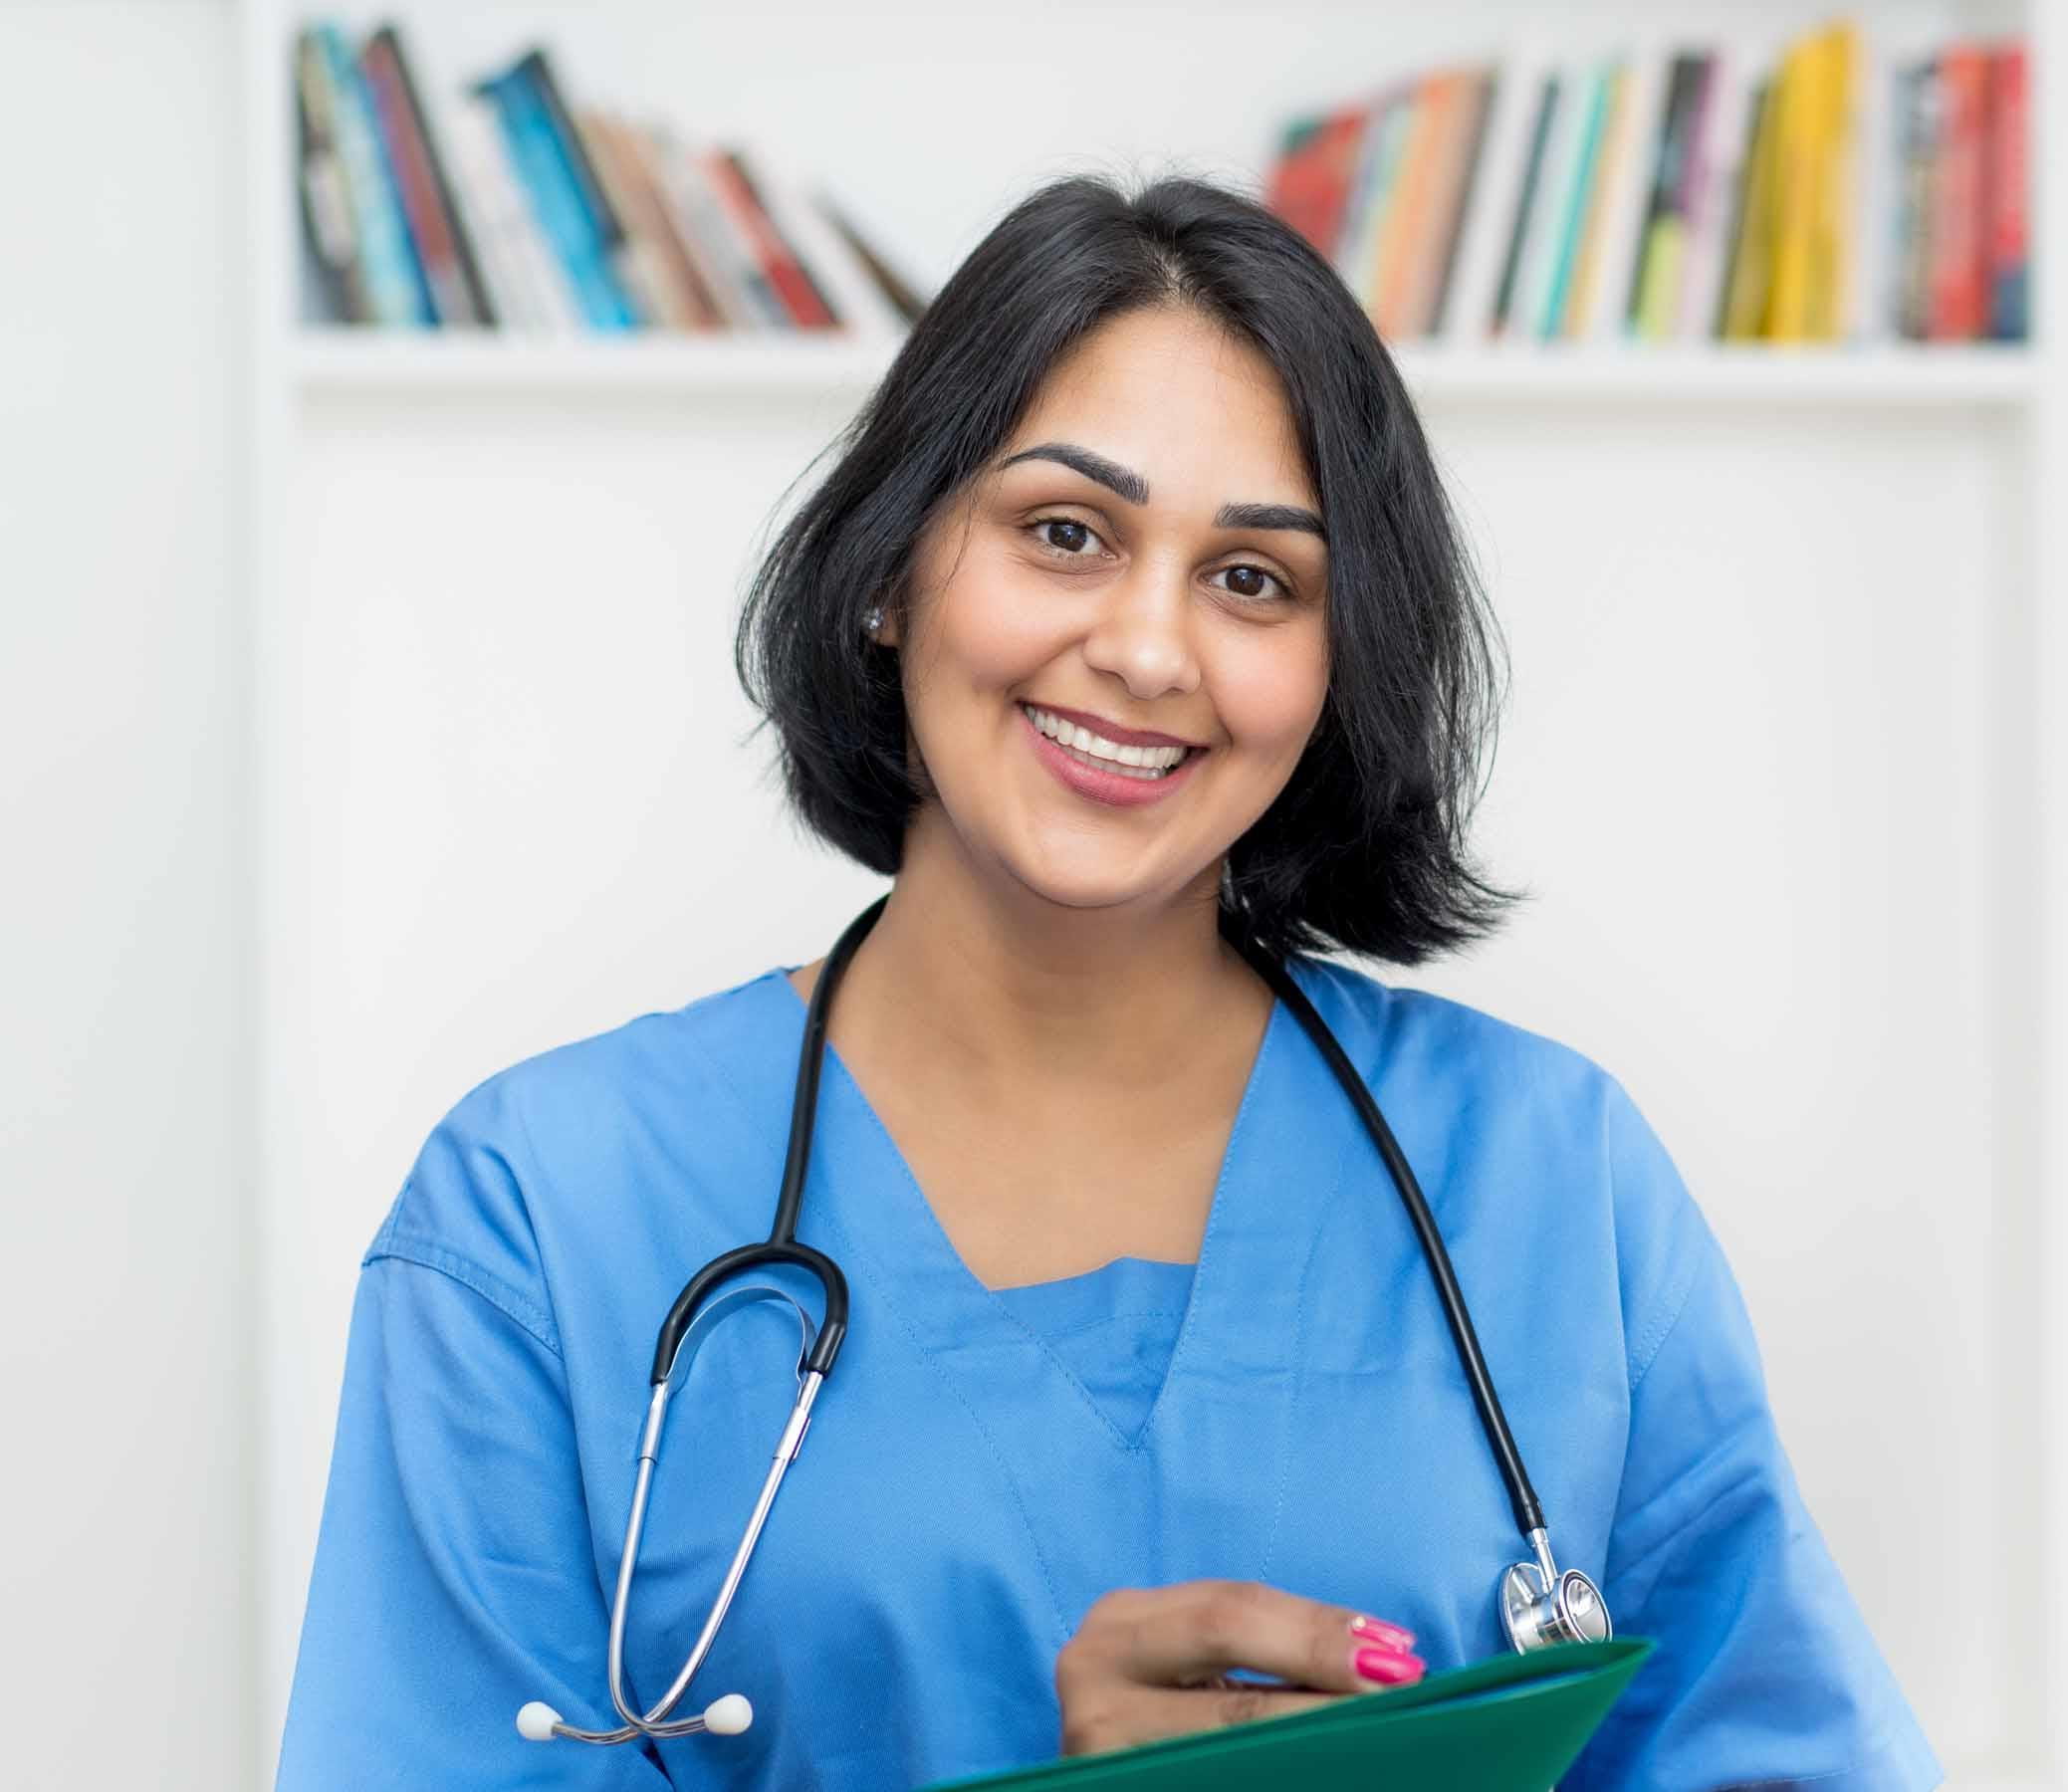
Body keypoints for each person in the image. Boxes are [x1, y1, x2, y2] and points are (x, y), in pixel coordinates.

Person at [275, 173, 1937, 1791]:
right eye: (1065, 533)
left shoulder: (1550, 1185)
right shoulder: (543, 1219)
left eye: (1253, 580)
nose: (1148, 650)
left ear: (1334, 669)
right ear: (890, 570)